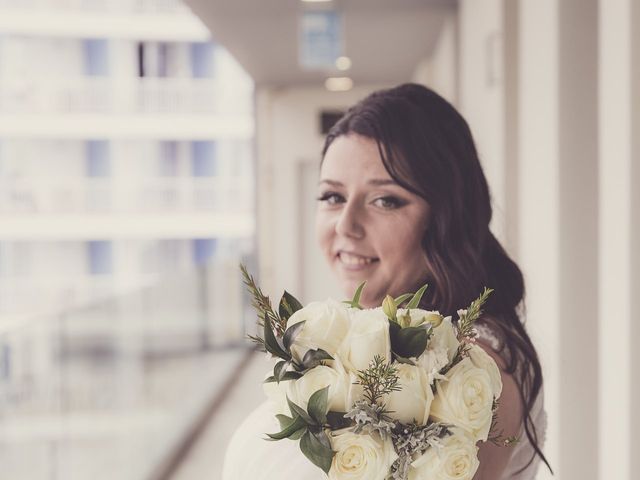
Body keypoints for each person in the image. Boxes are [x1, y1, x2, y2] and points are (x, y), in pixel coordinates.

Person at [223, 83, 551, 479]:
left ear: (446, 216)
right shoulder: (373, 334)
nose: (346, 225)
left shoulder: (471, 369)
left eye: (386, 200)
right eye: (332, 197)